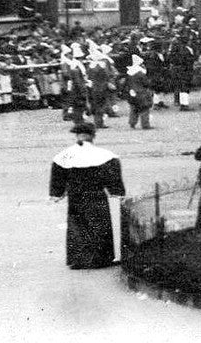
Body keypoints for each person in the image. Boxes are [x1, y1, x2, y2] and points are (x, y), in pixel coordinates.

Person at [48, 122, 126, 269]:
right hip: (96, 195)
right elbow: (113, 177)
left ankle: (79, 260)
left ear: (77, 136)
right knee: (99, 225)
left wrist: (56, 194)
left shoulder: (64, 156)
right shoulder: (105, 155)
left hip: (76, 196)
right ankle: (100, 259)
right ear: (93, 136)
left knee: (78, 226)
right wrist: (117, 192)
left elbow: (58, 176)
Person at [124, 55, 153, 129]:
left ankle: (132, 122)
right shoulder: (140, 73)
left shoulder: (130, 73)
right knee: (144, 109)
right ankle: (145, 124)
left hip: (132, 92)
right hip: (141, 93)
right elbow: (146, 83)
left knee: (133, 108)